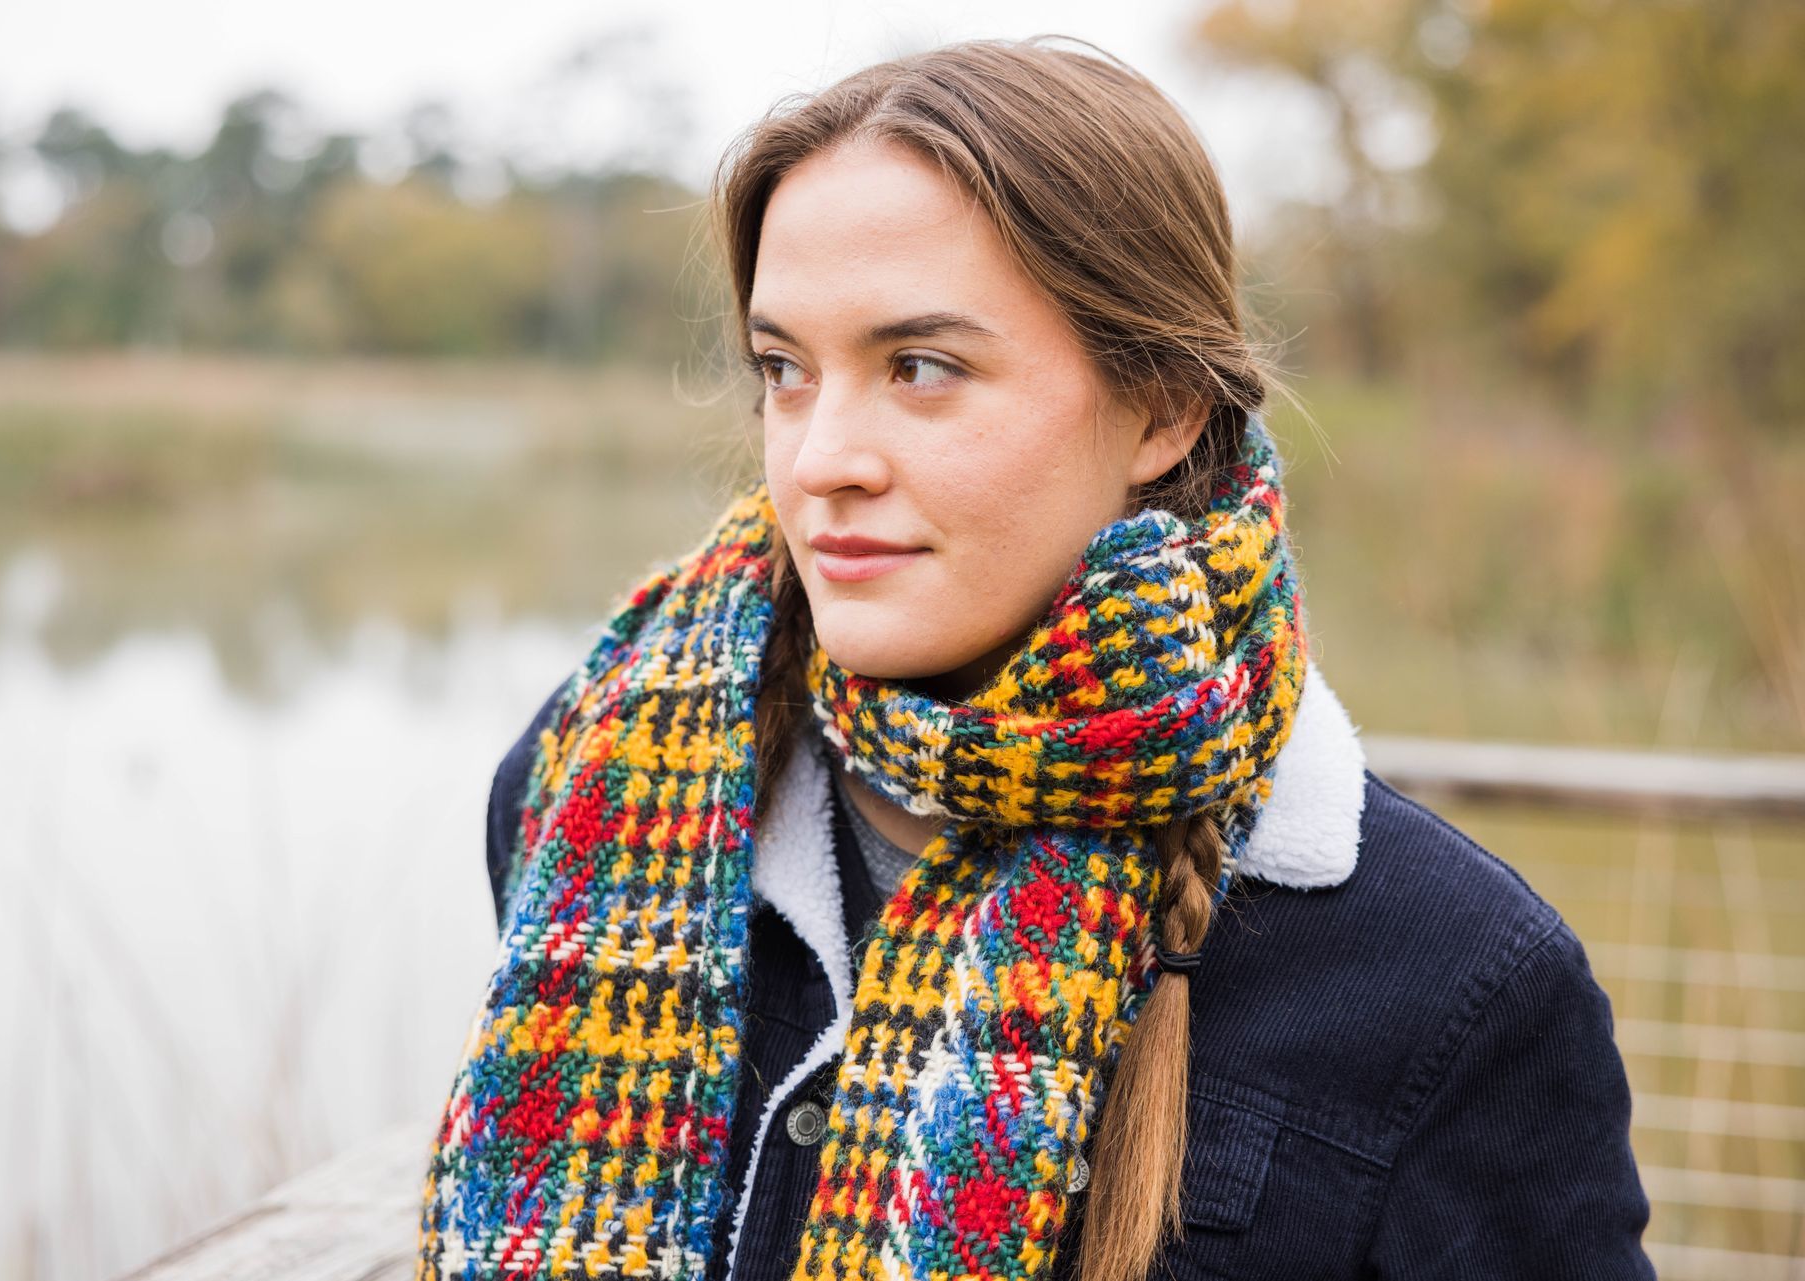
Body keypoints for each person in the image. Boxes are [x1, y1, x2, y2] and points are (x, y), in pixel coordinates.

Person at [415, 35, 1655, 1281]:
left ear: (1162, 408)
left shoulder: (1451, 982)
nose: (820, 458)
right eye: (785, 371)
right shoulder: (586, 788)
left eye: (922, 368)